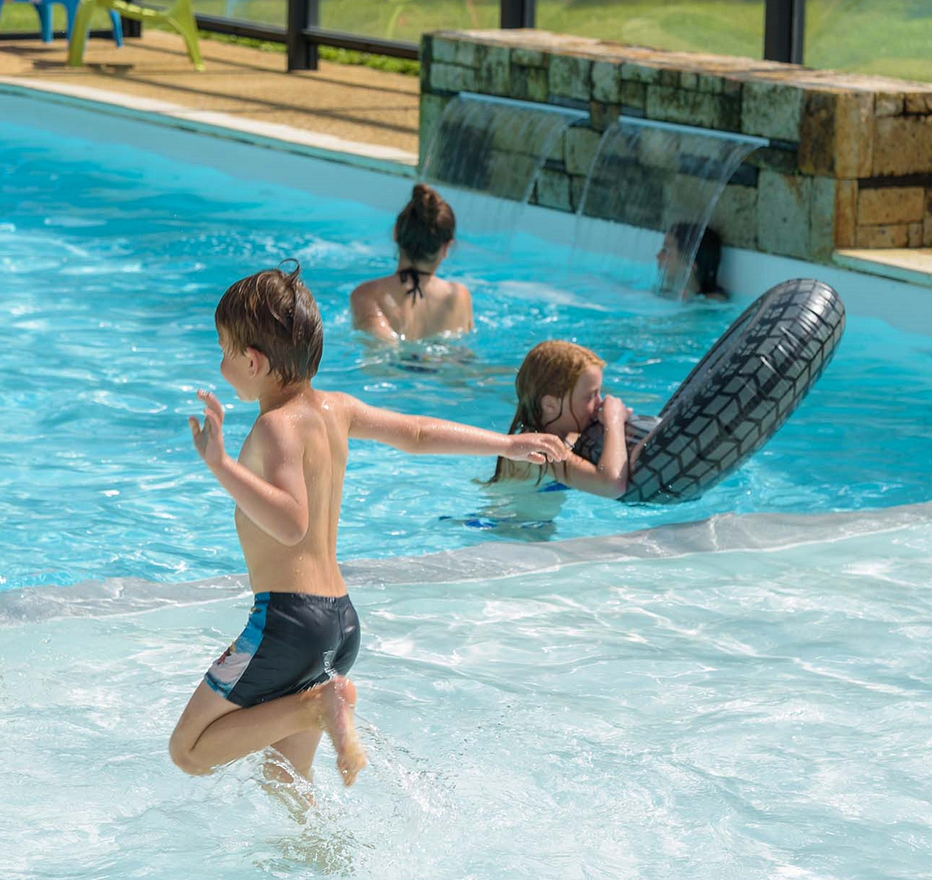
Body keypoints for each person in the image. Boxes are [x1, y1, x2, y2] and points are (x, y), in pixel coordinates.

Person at [170, 262, 569, 789]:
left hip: (287, 622)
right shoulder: (337, 408)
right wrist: (508, 443)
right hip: (338, 622)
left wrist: (221, 465)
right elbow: (420, 433)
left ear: (253, 360)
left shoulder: (274, 427)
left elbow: (292, 522)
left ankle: (316, 709)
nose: (222, 365)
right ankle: (322, 865)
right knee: (284, 779)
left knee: (190, 752)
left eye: (224, 351)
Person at [486, 340, 635, 500]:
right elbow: (611, 486)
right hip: (505, 523)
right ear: (550, 405)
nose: (600, 403)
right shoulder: (538, 449)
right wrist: (614, 421)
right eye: (590, 396)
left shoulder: (567, 438)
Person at [351, 183, 474, 342]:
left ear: (396, 233)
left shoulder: (366, 295)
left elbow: (381, 350)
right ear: (446, 247)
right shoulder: (460, 297)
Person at [656, 223, 728, 302]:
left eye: (666, 250)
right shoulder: (664, 292)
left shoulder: (711, 302)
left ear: (689, 263)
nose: (658, 255)